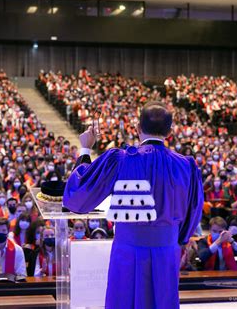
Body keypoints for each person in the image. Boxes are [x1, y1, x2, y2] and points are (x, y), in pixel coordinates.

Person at [63, 101, 203, 309]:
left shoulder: (120, 159)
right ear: (169, 131)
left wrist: (85, 148)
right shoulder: (187, 166)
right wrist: (175, 239)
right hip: (166, 252)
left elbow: (79, 197)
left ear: (137, 129)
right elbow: (194, 211)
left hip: (127, 251)